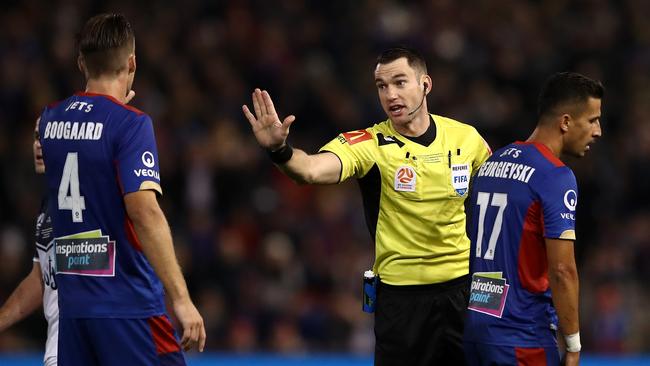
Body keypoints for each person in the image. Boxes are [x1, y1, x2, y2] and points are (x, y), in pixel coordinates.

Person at [243, 47, 491, 365]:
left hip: (463, 291)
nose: (390, 95)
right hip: (401, 301)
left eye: (400, 82)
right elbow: (308, 170)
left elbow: (496, 202)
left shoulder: (467, 139)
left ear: (425, 84)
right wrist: (280, 150)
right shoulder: (368, 144)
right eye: (381, 86)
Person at [38, 13, 205, 365]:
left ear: (81, 62)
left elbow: (83, 152)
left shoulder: (50, 119)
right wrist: (181, 299)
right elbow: (144, 212)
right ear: (132, 62)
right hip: (128, 307)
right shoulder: (131, 124)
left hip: (75, 311)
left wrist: (109, 116)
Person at [463, 72, 603, 366]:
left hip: (476, 330)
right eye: (592, 120)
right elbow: (563, 269)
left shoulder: (491, 163)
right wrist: (574, 345)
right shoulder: (555, 176)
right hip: (523, 336)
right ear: (565, 122)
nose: (598, 131)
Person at [0, 117, 58, 366]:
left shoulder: (95, 197)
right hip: (59, 348)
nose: (38, 145)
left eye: (45, 138)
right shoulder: (48, 203)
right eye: (36, 138)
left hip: (94, 346)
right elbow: (41, 278)